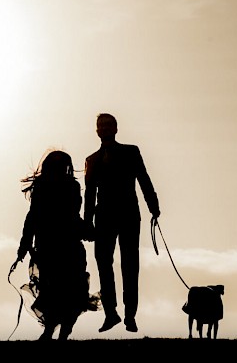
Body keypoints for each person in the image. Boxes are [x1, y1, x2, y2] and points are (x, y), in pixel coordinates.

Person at [83, 113, 160, 333]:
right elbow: (89, 194)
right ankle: (111, 313)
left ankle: (130, 315)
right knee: (103, 263)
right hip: (104, 217)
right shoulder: (92, 160)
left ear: (116, 129)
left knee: (130, 265)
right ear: (97, 131)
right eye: (101, 126)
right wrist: (88, 223)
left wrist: (153, 205)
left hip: (128, 215)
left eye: (108, 125)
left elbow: (144, 178)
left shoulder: (131, 152)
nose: (105, 129)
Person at [13, 150, 95, 340]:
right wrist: (24, 245)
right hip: (52, 246)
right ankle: (53, 330)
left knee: (69, 291)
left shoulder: (70, 187)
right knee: (56, 291)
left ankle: (60, 331)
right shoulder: (48, 186)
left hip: (63, 245)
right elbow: (34, 216)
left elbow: (71, 217)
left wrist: (24, 245)